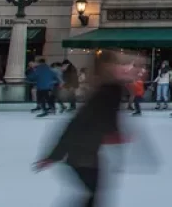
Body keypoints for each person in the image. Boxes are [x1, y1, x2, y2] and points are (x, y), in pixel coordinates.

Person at [33, 50, 135, 207]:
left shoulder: (108, 90)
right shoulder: (108, 91)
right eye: (117, 64)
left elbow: (105, 119)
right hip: (82, 154)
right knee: (92, 195)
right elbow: (78, 124)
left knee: (93, 195)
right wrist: (54, 156)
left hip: (87, 151)